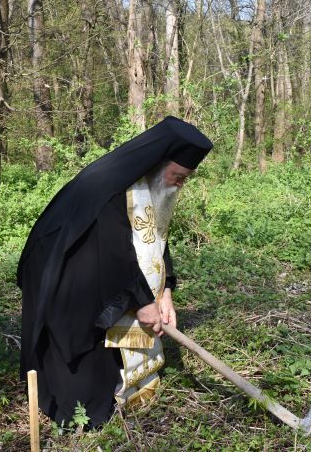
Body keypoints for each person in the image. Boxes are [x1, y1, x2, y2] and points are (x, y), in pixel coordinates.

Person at [17, 117, 213, 428]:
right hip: (66, 275)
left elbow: (156, 239)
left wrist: (166, 292)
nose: (179, 184)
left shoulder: (150, 185)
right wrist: (143, 302)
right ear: (158, 163)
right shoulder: (112, 190)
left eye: (185, 178)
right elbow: (113, 257)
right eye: (177, 176)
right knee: (84, 384)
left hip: (105, 270)